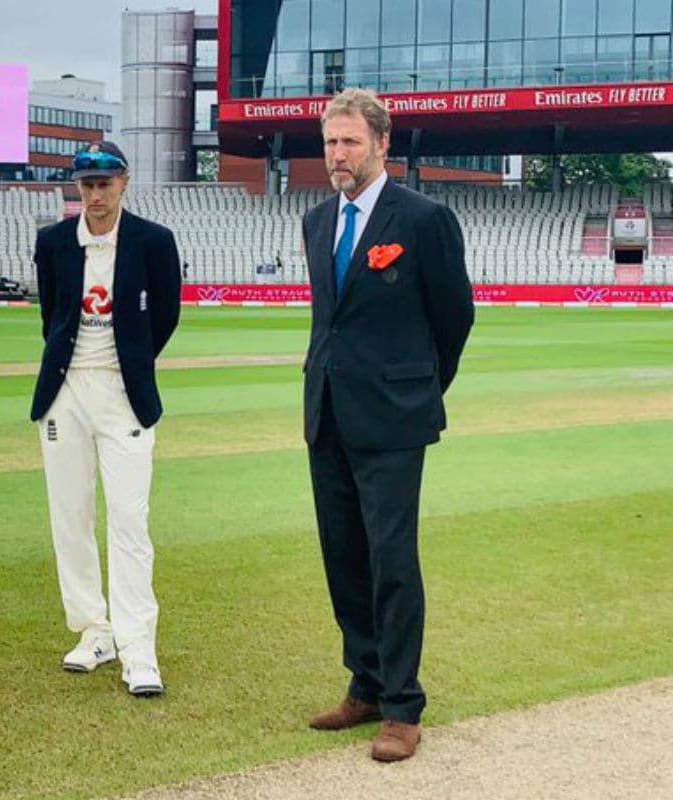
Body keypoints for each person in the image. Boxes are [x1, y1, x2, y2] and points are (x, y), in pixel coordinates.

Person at [299, 88, 474, 761]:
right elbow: (330, 322)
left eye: (348, 142)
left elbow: (453, 319)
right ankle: (365, 684)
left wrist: (416, 393)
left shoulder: (424, 219)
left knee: (392, 562)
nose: (337, 155)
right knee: (343, 558)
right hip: (327, 413)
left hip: (394, 421)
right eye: (329, 143)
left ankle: (403, 705)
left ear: (381, 145)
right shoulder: (317, 221)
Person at [29, 141, 182, 697]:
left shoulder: (153, 241)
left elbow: (165, 315)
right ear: (77, 186)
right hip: (64, 394)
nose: (96, 194)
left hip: (124, 396)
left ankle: (139, 648)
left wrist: (130, 364)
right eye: (87, 184)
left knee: (128, 520)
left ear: (124, 183)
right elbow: (53, 316)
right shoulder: (52, 243)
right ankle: (95, 630)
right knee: (69, 517)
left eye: (106, 183)